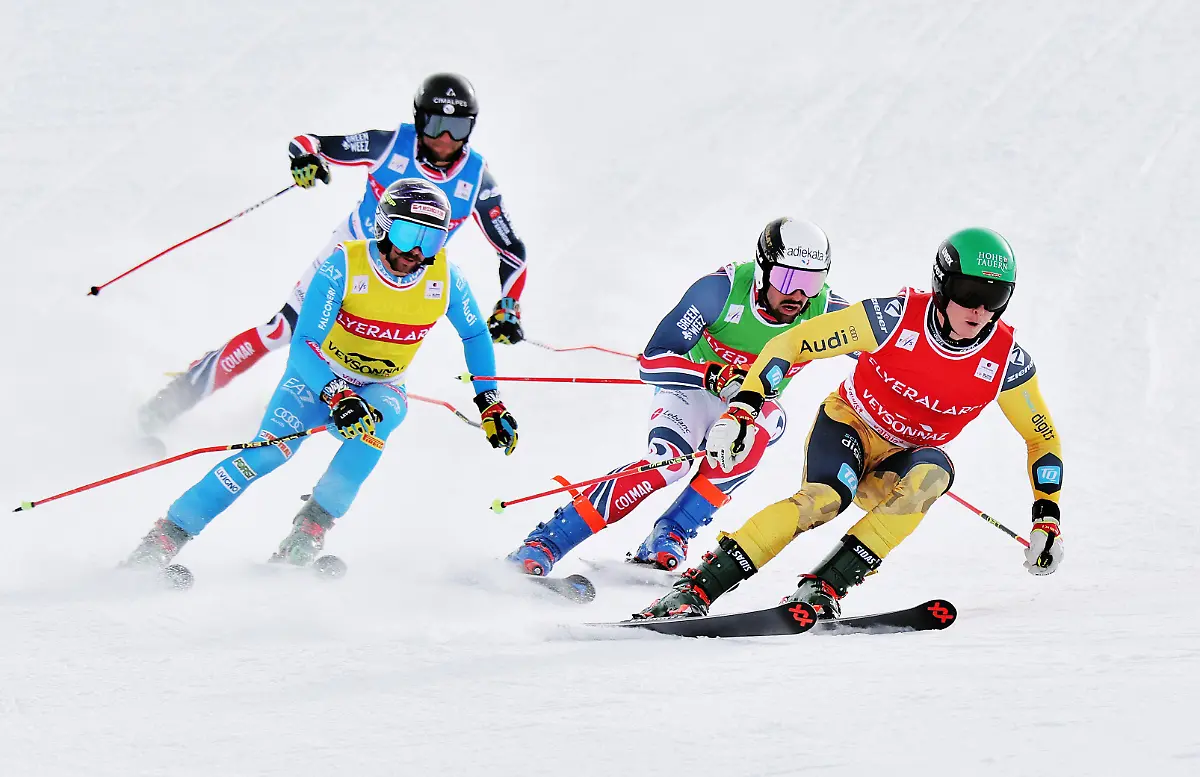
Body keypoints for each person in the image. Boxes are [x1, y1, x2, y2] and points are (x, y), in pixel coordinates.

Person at [637, 227, 1064, 619]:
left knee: (935, 472)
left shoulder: (1006, 361)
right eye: (968, 291)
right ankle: (695, 590)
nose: (980, 309)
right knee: (824, 500)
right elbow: (793, 341)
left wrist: (1047, 515)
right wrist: (745, 407)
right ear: (941, 285)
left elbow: (1040, 438)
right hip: (849, 425)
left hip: (901, 458)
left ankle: (824, 588)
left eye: (996, 297)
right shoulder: (892, 319)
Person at [123, 180, 518, 571]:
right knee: (264, 455)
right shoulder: (346, 264)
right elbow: (305, 341)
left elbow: (474, 333)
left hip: (381, 387)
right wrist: (335, 393)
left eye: (430, 240)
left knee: (377, 420)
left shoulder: (446, 279)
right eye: (406, 233)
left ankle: (311, 527)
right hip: (317, 378)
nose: (416, 251)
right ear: (383, 227)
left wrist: (490, 402)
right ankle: (166, 536)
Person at [139, 72, 528, 433]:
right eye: (435, 124)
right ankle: (173, 400)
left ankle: (304, 414)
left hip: (406, 277)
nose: (444, 138)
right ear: (419, 119)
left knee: (363, 357)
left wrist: (509, 305)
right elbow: (310, 143)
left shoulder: (477, 179)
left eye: (457, 127)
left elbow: (511, 249)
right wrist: (306, 160)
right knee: (283, 330)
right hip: (350, 259)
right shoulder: (389, 144)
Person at [506, 218, 848, 576]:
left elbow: (881, 344)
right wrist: (712, 375)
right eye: (787, 280)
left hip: (748, 407)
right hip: (690, 391)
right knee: (669, 463)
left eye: (812, 281)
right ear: (762, 269)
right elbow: (652, 361)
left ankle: (671, 534)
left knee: (759, 432)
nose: (798, 295)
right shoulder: (720, 291)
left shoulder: (823, 308)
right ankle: (546, 541)